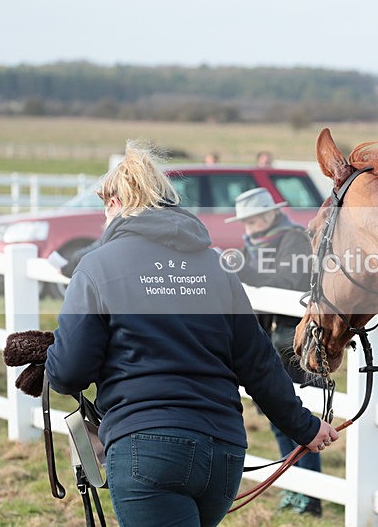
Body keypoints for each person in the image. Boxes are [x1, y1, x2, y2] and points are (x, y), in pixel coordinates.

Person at [44, 142, 337, 527]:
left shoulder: (97, 266)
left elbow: (69, 373)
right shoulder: (216, 267)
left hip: (146, 445)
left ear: (118, 202)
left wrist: (49, 354)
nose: (103, 214)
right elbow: (258, 362)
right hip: (223, 454)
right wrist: (305, 425)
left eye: (105, 204)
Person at [225, 187, 322, 516]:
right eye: (245, 220)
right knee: (281, 418)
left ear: (268, 214)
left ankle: (309, 495)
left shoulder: (293, 239)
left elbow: (288, 280)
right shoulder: (254, 244)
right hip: (271, 340)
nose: (248, 225)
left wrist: (245, 273)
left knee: (296, 418)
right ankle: (297, 489)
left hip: (292, 344)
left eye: (252, 219)